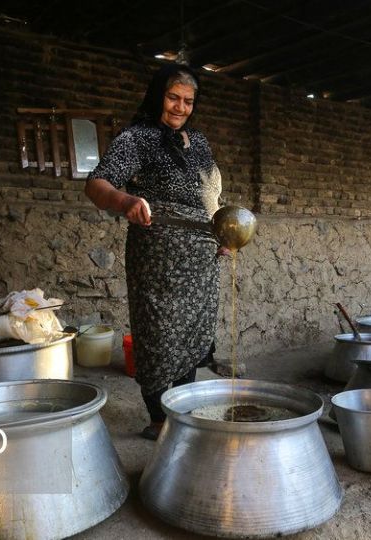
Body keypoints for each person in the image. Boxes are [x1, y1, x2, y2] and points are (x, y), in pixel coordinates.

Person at [84, 65, 224, 441]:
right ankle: (160, 418)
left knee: (194, 330)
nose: (180, 107)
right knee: (159, 331)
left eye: (188, 101)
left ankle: (184, 409)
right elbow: (97, 183)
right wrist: (125, 200)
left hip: (202, 257)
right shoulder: (138, 138)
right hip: (158, 255)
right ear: (157, 96)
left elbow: (211, 198)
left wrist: (223, 233)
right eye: (173, 97)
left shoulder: (200, 143)